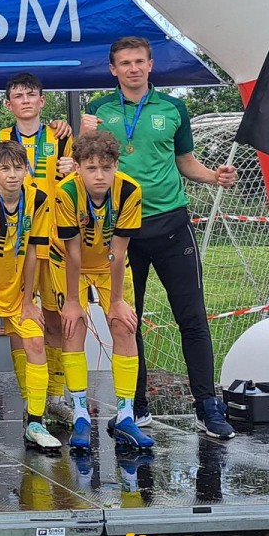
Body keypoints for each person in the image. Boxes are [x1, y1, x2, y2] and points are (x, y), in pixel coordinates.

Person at [83, 36, 237, 439]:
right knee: (125, 319)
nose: (133, 68)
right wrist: (80, 135)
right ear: (113, 69)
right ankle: (135, 406)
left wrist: (214, 176)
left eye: (139, 61)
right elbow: (84, 165)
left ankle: (206, 406)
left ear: (151, 65)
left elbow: (185, 162)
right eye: (125, 63)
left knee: (192, 318)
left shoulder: (173, 108)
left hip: (171, 225)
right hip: (121, 230)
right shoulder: (98, 110)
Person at [54, 130, 154, 451]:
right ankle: (80, 414)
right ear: (77, 168)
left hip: (109, 261)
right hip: (70, 262)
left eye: (106, 168)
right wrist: (73, 301)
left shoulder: (130, 190)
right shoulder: (65, 192)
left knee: (124, 325)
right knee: (73, 325)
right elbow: (72, 253)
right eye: (91, 168)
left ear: (116, 166)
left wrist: (117, 301)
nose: (99, 175)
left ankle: (125, 415)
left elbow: (119, 251)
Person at [0, 139, 60, 454]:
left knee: (35, 342)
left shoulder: (38, 199)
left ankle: (35, 423)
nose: (12, 175)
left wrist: (28, 299)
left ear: (26, 170)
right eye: (4, 168)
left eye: (18, 168)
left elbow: (34, 251)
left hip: (17, 286)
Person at [0, 73, 76, 426]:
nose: (25, 100)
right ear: (8, 104)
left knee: (55, 317)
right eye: (18, 96)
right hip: (15, 241)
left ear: (42, 101)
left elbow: (75, 179)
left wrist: (73, 167)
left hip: (53, 238)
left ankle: (56, 395)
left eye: (31, 95)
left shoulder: (62, 136)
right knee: (19, 319)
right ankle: (31, 397)